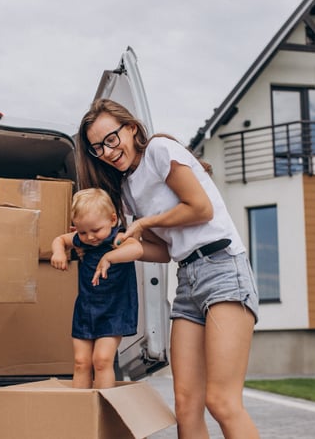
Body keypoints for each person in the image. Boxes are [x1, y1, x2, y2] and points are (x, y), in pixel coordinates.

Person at [77, 99, 261, 439]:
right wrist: (120, 250)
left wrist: (145, 221)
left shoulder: (160, 150)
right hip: (187, 279)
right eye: (98, 147)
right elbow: (164, 251)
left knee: (221, 401)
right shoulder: (129, 190)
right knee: (186, 404)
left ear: (131, 128)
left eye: (112, 139)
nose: (107, 151)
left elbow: (200, 209)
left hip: (222, 267)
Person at [50, 187, 143, 389]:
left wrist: (109, 256)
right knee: (81, 362)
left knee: (101, 361)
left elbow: (136, 248)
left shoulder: (116, 239)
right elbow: (60, 239)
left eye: (95, 230)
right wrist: (58, 252)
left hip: (114, 310)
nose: (90, 237)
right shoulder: (82, 239)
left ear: (111, 220)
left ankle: (102, 410)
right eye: (82, 232)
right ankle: (82, 411)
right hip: (87, 308)